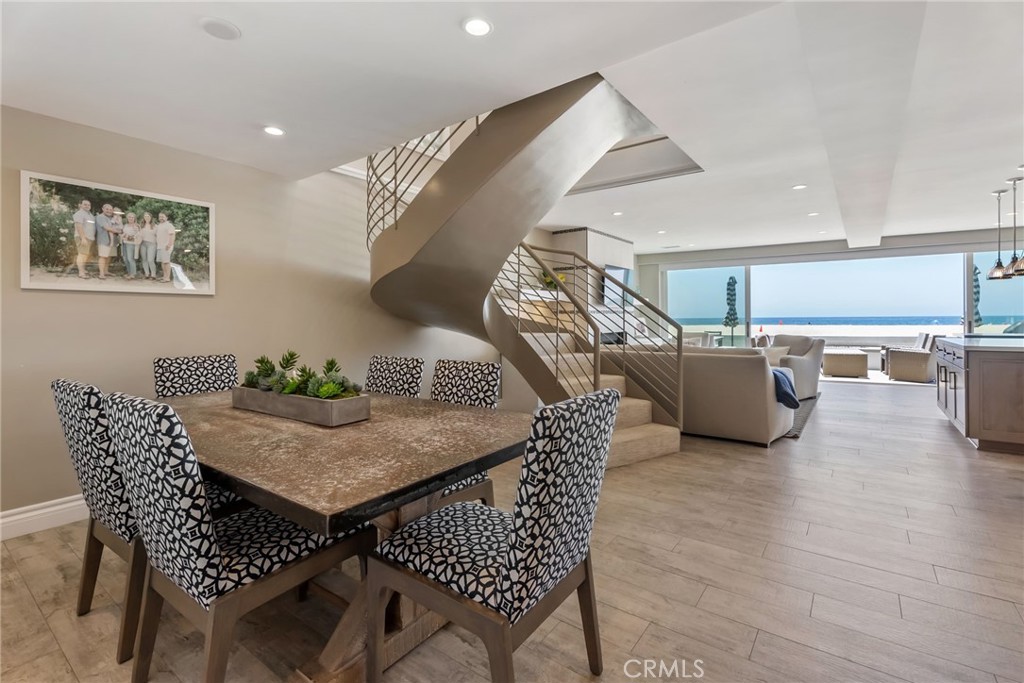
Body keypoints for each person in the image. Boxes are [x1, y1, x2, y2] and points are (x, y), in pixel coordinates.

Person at [94, 204, 121, 280]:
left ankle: (106, 271)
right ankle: (101, 274)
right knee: (103, 256)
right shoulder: (100, 217)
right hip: (104, 240)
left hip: (112, 241)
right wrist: (120, 231)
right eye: (107, 209)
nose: (109, 211)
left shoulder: (110, 218)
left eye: (110, 209)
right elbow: (107, 228)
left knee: (109, 256)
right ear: (103, 209)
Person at [72, 199, 95, 279]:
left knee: (85, 255)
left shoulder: (90, 215)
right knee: (82, 254)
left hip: (89, 238)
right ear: (80, 205)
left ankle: (83, 270)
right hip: (83, 237)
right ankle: (81, 273)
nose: (87, 206)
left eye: (89, 205)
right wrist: (83, 238)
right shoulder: (79, 214)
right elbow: (79, 226)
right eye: (85, 204)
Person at [155, 211, 176, 283]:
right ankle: (164, 276)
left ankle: (167, 278)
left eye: (162, 217)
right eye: (160, 217)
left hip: (166, 246)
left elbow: (172, 235)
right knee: (162, 262)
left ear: (166, 217)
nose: (161, 218)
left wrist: (169, 245)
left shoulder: (169, 225)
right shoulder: (159, 225)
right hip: (160, 246)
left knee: (166, 262)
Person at [120, 212, 141, 279]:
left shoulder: (136, 226)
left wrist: (130, 237)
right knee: (125, 259)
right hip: (124, 243)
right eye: (129, 217)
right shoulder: (125, 225)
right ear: (127, 218)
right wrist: (122, 236)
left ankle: (133, 274)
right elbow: (123, 233)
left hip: (131, 244)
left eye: (132, 217)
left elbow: (138, 235)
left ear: (134, 218)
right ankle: (129, 273)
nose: (131, 218)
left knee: (130, 259)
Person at [139, 212, 157, 279]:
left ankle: (153, 274)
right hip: (143, 244)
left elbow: (158, 236)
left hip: (152, 244)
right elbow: (138, 235)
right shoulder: (141, 226)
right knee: (144, 259)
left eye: (148, 216)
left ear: (151, 217)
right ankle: (147, 273)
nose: (147, 218)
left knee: (150, 260)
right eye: (145, 216)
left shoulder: (155, 226)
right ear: (143, 218)